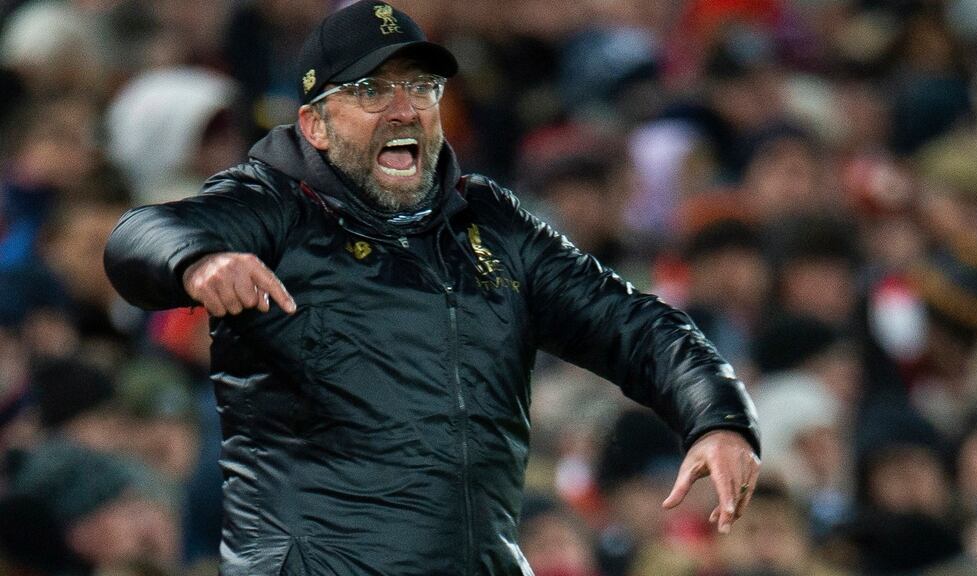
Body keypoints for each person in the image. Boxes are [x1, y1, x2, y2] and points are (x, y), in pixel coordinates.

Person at [103, 2, 761, 574]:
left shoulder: (493, 225)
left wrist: (718, 415)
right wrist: (197, 262)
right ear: (316, 125)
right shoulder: (272, 207)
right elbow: (140, 234)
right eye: (371, 90)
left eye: (421, 87)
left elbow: (634, 323)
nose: (404, 109)